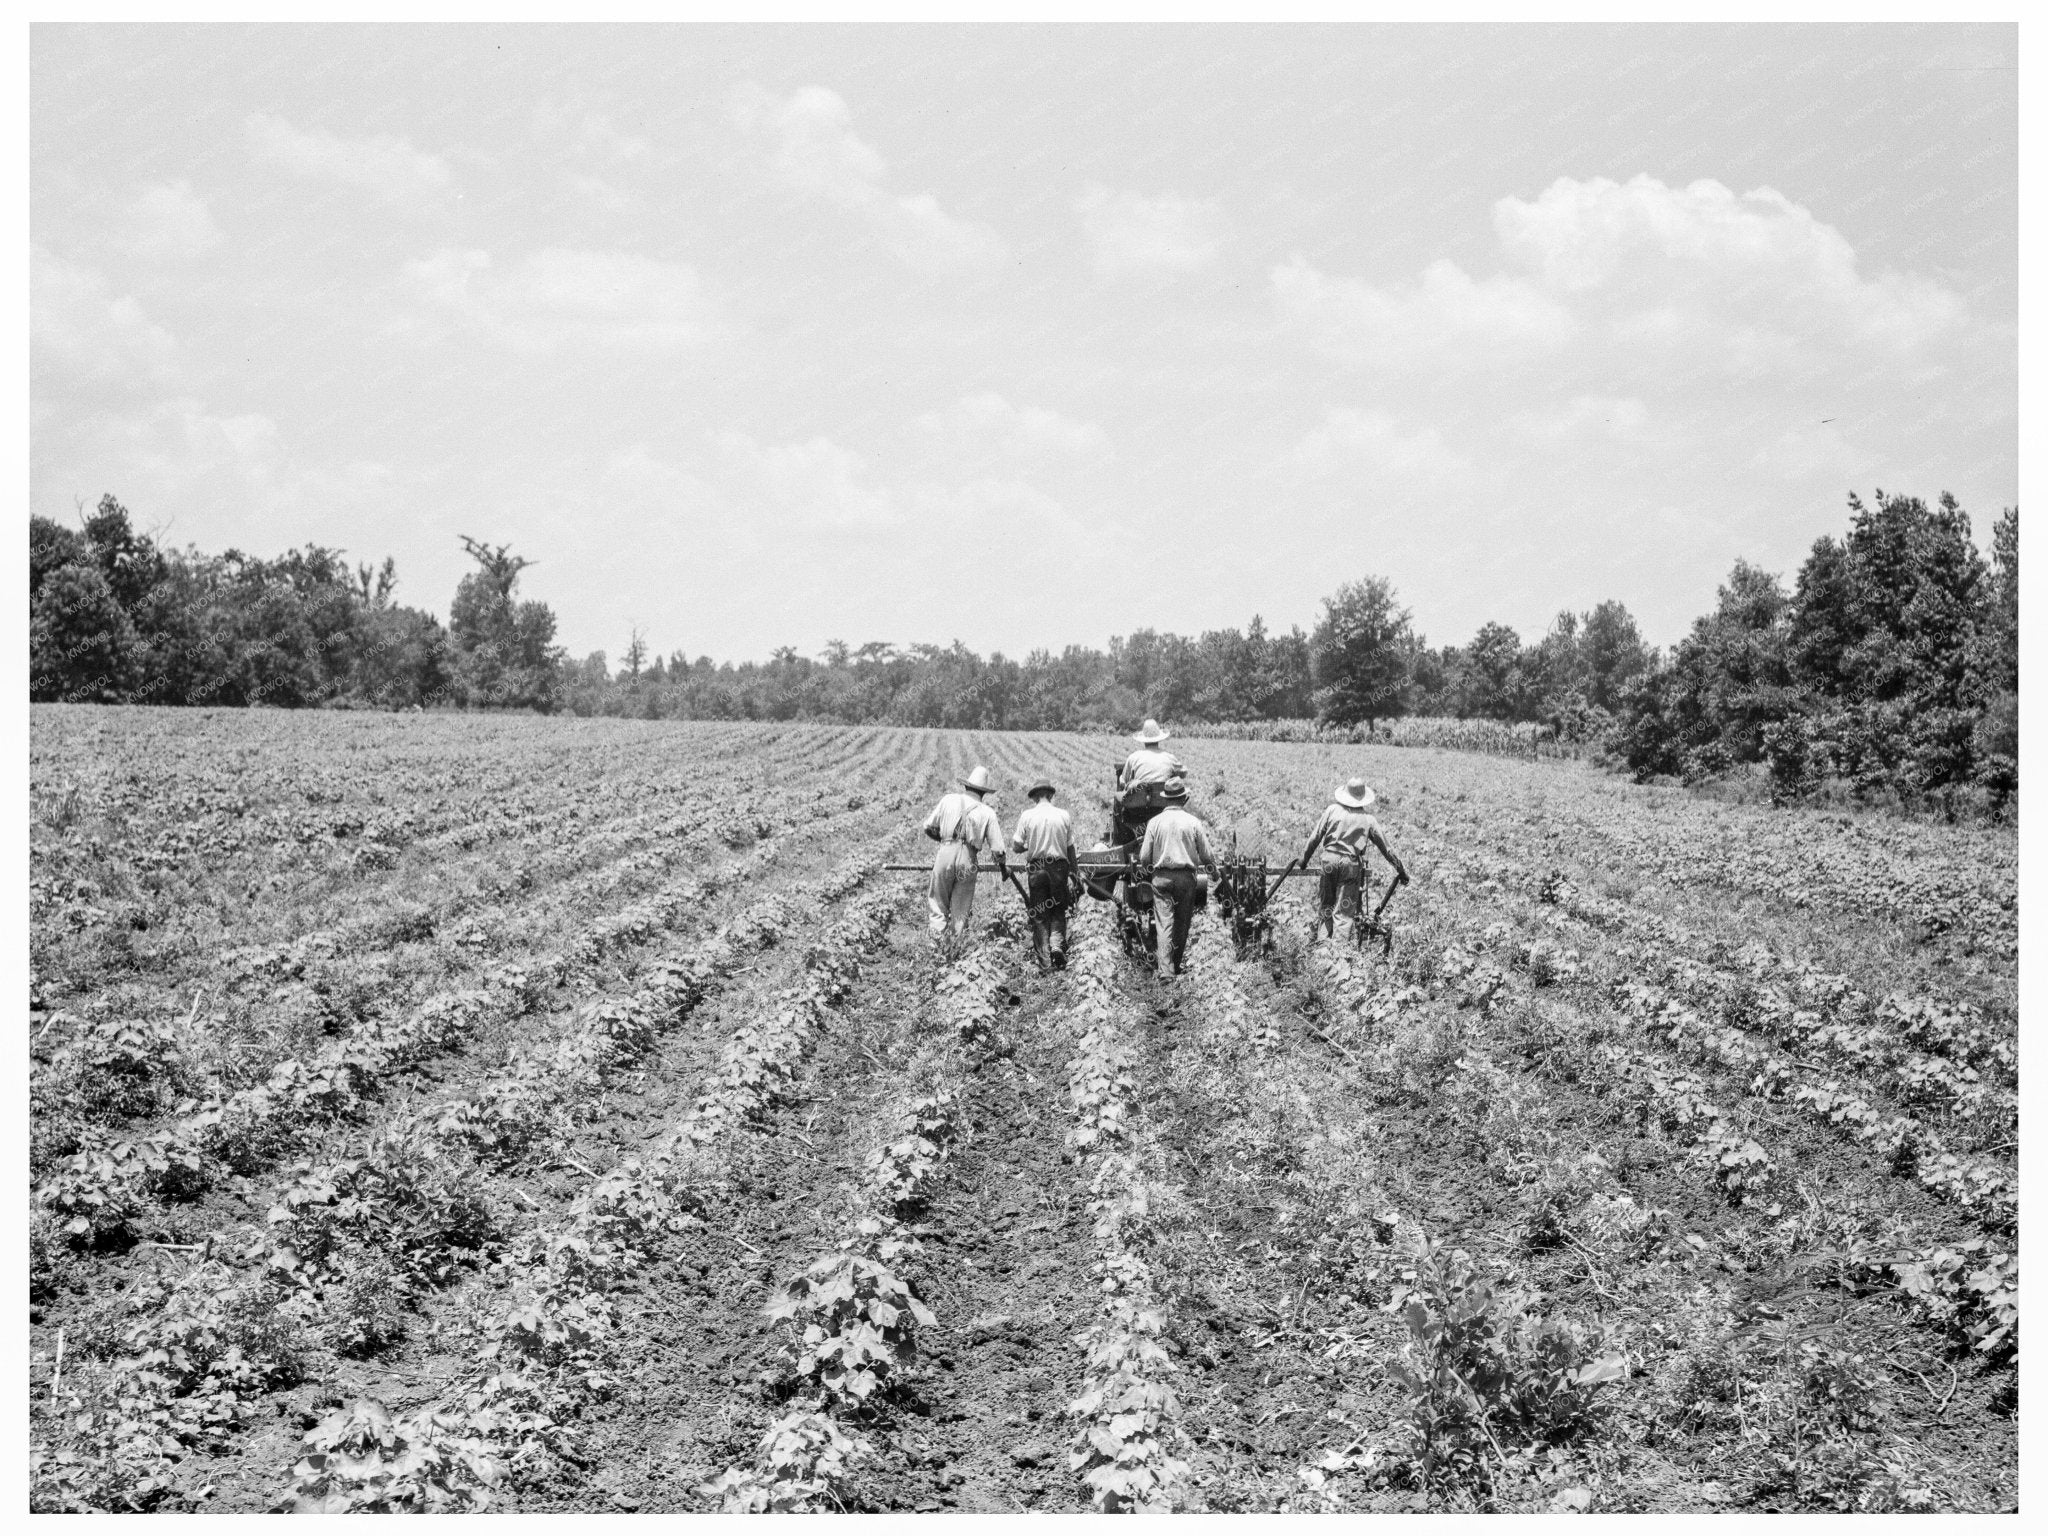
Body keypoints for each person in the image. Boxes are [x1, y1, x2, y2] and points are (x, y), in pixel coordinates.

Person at [1298, 776, 1409, 939]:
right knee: (1343, 912)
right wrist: (1401, 870)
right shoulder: (1368, 819)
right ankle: (1338, 953)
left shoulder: (1331, 810)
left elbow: (1315, 837)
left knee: (1326, 906)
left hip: (1328, 861)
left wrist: (1304, 860)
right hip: (1349, 866)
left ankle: (1323, 947)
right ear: (1363, 798)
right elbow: (1387, 849)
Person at [1137, 775, 1217, 977]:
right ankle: (1177, 963)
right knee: (1182, 923)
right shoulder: (1193, 822)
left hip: (1161, 878)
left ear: (1165, 798)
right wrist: (1214, 872)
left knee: (1164, 923)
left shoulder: (1154, 822)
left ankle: (1165, 970)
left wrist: (1148, 871)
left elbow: (1144, 857)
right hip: (1186, 879)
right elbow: (1207, 856)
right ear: (1183, 799)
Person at [922, 766, 1006, 940]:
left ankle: (936, 945)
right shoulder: (987, 812)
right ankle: (955, 947)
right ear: (983, 793)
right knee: (961, 908)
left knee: (938, 900)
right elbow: (998, 850)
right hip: (968, 857)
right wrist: (1004, 868)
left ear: (966, 786)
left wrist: (945, 842)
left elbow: (928, 827)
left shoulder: (948, 800)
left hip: (945, 850)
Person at [1010, 777, 1078, 971]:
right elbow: (1070, 847)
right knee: (1058, 908)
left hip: (1037, 868)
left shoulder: (1027, 816)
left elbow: (1016, 845)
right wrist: (1075, 872)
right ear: (1050, 795)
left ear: (1035, 798)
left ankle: (1045, 961)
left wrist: (1028, 847)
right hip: (1058, 868)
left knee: (1039, 914)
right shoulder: (1063, 815)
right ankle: (1057, 945)